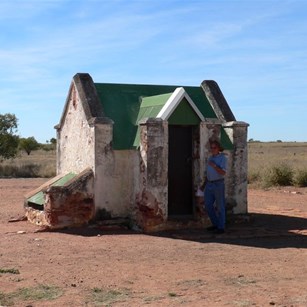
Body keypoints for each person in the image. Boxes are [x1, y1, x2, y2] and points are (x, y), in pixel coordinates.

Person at [204, 140, 227, 234]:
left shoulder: (223, 158)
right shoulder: (210, 158)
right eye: (211, 148)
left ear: (219, 148)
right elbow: (208, 173)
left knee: (220, 206)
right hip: (209, 184)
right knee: (208, 205)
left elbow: (223, 172)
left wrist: (214, 166)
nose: (212, 149)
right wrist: (203, 185)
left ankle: (221, 227)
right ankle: (216, 224)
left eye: (214, 148)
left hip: (218, 184)